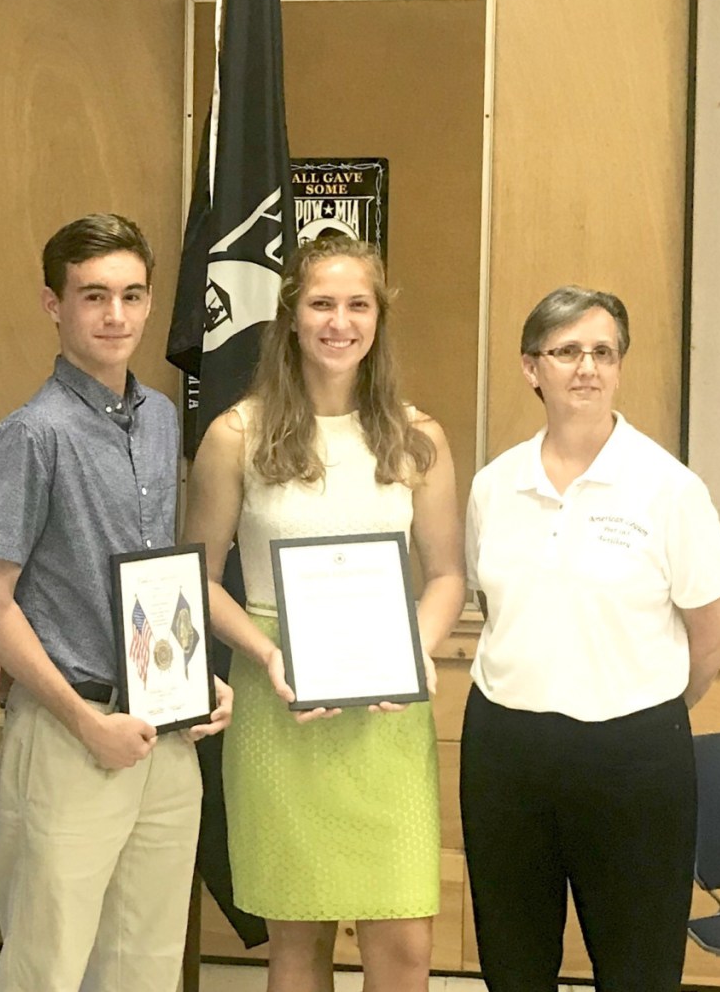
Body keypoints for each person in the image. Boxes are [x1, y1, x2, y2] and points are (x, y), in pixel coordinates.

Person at [183, 235, 466, 992]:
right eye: (320, 304)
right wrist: (266, 651)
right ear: (291, 317)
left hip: (387, 707)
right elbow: (196, 581)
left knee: (404, 939)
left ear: (378, 317)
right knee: (296, 939)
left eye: (356, 304)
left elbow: (445, 576)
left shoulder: (417, 438)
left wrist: (412, 651)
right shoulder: (235, 435)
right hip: (278, 697)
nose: (338, 322)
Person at [0, 213, 232, 992]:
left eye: (131, 295)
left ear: (150, 304)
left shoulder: (157, 422)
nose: (115, 315)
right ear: (54, 305)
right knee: (46, 965)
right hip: (72, 732)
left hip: (163, 736)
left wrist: (197, 675)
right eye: (93, 296)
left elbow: (155, 582)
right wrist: (86, 720)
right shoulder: (31, 436)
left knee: (144, 967)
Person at [461, 285, 720, 992]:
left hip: (633, 756)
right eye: (567, 350)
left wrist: (647, 702)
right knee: (513, 966)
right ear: (530, 368)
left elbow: (707, 641)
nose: (586, 367)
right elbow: (494, 606)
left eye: (602, 351)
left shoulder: (669, 489)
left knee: (637, 969)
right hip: (505, 751)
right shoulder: (493, 485)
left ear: (618, 366)